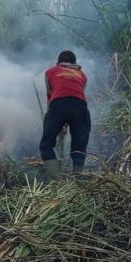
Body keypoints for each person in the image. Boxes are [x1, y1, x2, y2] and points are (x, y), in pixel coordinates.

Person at [39, 51, 91, 181]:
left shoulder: (50, 72)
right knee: (79, 146)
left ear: (58, 63)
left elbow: (50, 96)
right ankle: (77, 179)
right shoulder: (82, 75)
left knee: (46, 145)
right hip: (80, 107)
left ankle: (56, 181)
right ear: (74, 63)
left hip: (58, 105)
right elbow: (75, 96)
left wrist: (54, 121)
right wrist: (66, 122)